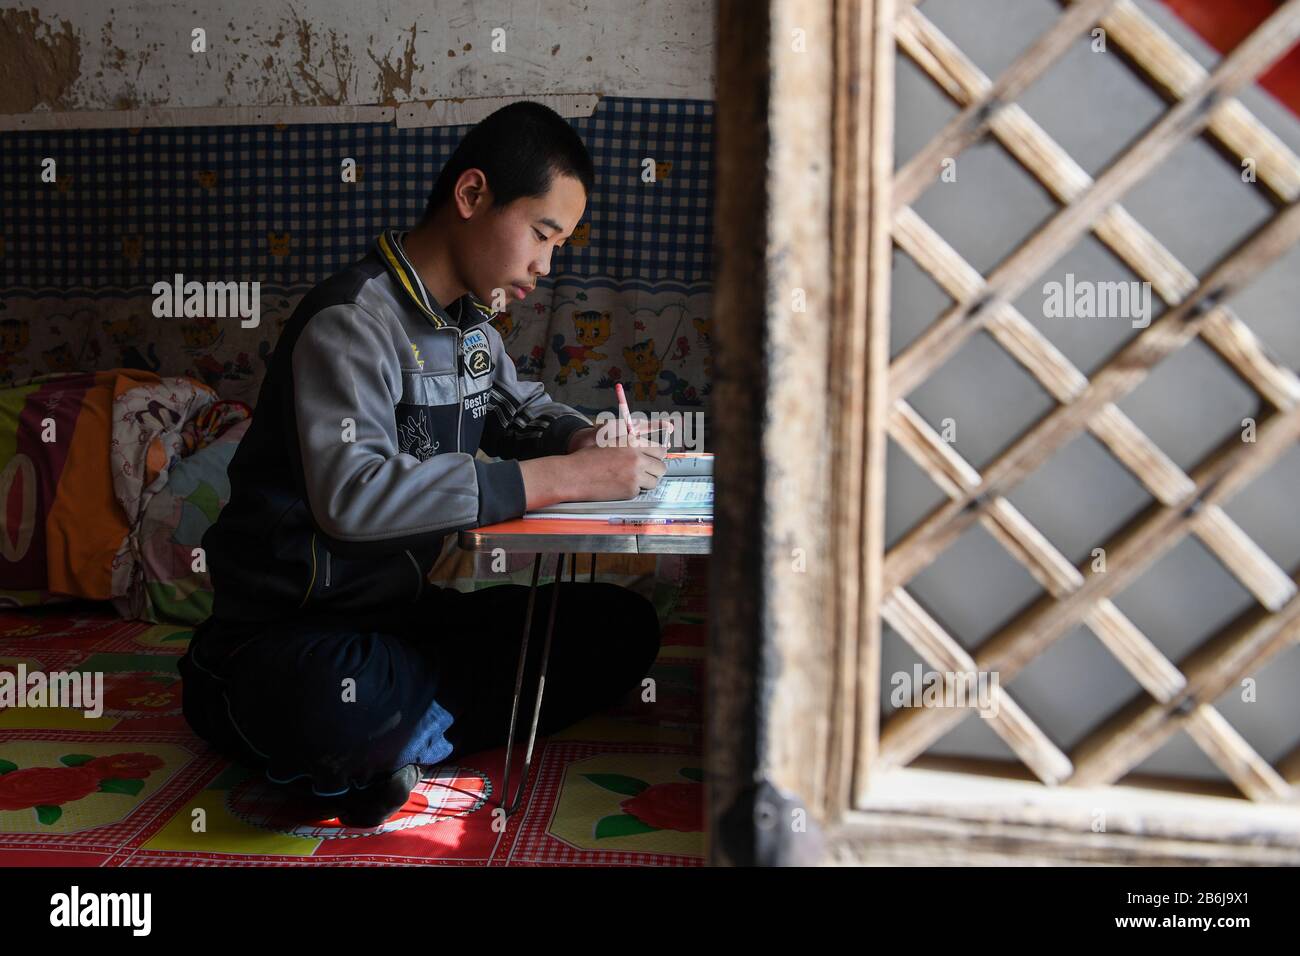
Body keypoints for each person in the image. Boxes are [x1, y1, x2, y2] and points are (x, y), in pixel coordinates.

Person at [179, 101, 669, 827]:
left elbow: (524, 412)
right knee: (337, 703)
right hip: (295, 636)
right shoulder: (350, 322)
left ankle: (393, 746)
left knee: (623, 628)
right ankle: (370, 732)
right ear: (472, 196)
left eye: (558, 244)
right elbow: (354, 495)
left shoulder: (471, 327)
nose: (545, 265)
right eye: (541, 233)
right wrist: (561, 480)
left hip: (405, 625)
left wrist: (586, 441)